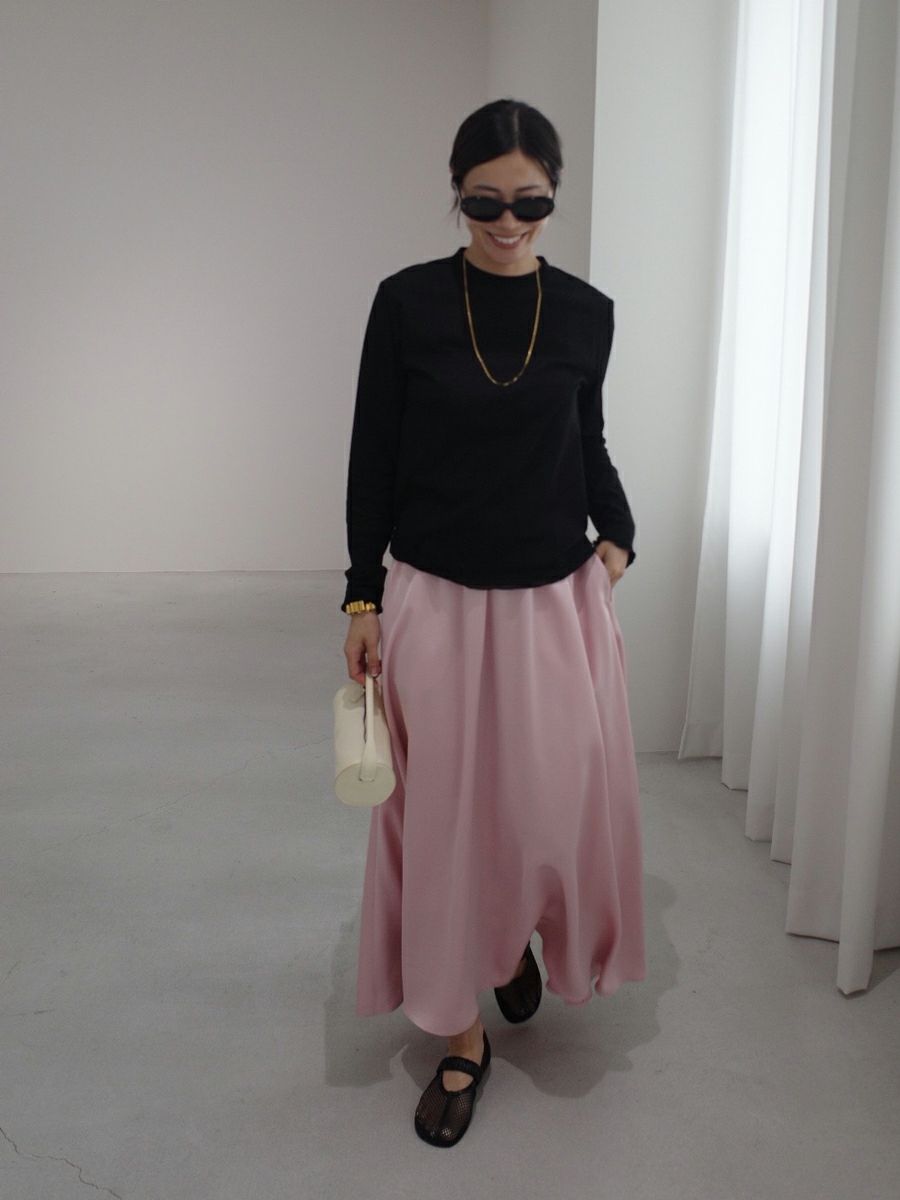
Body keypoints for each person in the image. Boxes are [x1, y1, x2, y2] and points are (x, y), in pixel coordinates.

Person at [341, 97, 646, 1148]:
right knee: (443, 819)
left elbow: (585, 438)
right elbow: (372, 455)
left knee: (546, 802)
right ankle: (460, 1029)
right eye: (484, 202)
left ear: (554, 194)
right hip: (435, 597)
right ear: (456, 194)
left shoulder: (588, 313)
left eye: (530, 202)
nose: (508, 222)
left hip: (554, 601)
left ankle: (513, 939)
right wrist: (363, 594)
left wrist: (621, 535)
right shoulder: (409, 304)